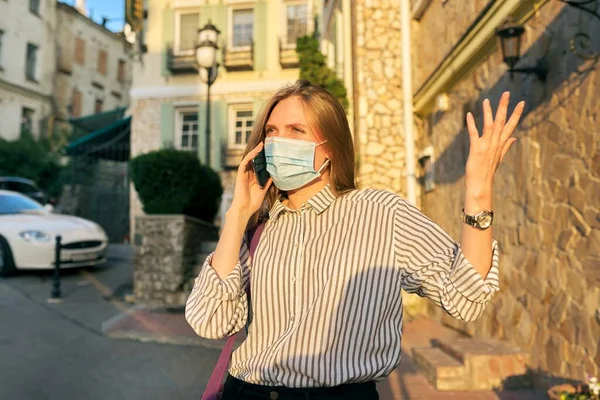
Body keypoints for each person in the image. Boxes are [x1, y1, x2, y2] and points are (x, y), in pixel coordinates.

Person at [186, 80, 524, 400]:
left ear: (330, 146)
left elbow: (466, 296)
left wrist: (479, 193)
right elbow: (210, 320)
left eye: (295, 130)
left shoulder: (382, 213)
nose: (277, 142)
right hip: (247, 392)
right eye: (271, 131)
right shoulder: (257, 228)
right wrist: (238, 214)